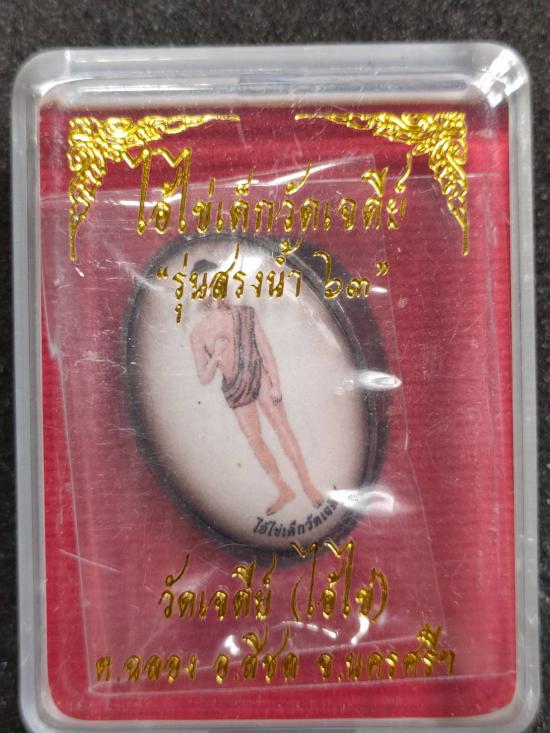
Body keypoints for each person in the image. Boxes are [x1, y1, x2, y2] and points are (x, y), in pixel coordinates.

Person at [190, 265, 323, 515]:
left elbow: (265, 350)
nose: (210, 289)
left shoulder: (245, 314)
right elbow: (204, 377)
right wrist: (216, 356)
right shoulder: (198, 332)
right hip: (234, 388)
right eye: (203, 285)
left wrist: (276, 383)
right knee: (254, 440)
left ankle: (308, 485)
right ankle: (283, 489)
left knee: (282, 428)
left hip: (258, 375)